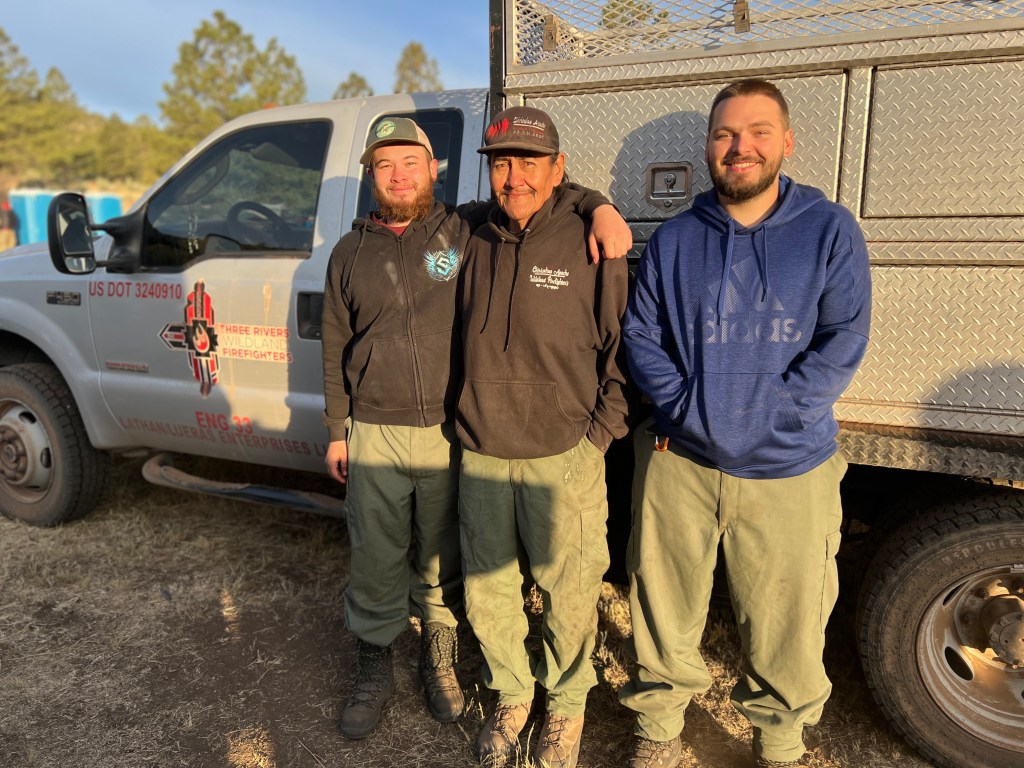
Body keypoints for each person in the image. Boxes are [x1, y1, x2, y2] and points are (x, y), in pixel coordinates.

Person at [321, 116, 632, 741]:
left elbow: (542, 197)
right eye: (385, 164)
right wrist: (336, 426)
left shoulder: (472, 228)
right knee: (421, 568)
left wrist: (601, 206)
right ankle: (413, 672)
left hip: (483, 434)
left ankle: (503, 684)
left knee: (488, 569)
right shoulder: (377, 248)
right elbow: (333, 343)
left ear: (434, 169)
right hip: (418, 435)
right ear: (370, 176)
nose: (400, 175)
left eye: (412, 162)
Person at [619, 79, 871, 768]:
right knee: (662, 605)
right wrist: (685, 408)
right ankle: (658, 731)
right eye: (726, 134)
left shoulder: (829, 231)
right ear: (708, 148)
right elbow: (642, 335)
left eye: (758, 131)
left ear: (786, 142)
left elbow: (845, 335)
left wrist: (780, 414)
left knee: (788, 621)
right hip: (682, 463)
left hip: (790, 467)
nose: (741, 147)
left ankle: (781, 743)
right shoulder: (676, 239)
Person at [456, 106, 632, 768]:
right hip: (482, 449)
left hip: (565, 454)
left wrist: (595, 439)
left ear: (557, 169)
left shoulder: (593, 241)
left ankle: (565, 707)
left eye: (530, 162)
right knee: (489, 590)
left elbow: (622, 351)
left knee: (569, 591)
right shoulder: (471, 233)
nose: (515, 177)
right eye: (502, 162)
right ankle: (510, 693)